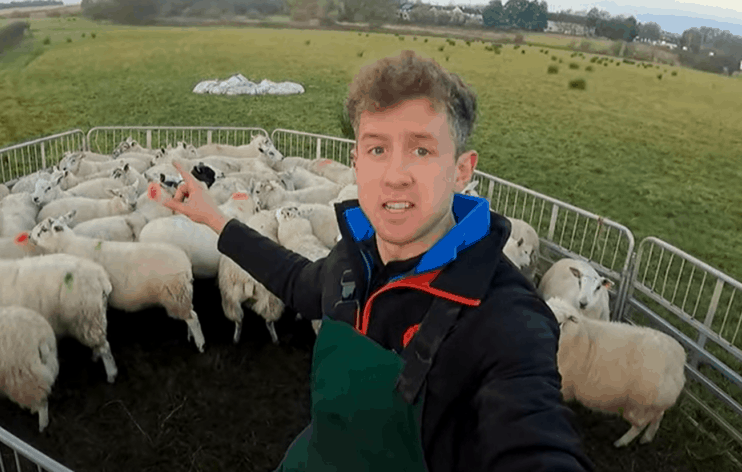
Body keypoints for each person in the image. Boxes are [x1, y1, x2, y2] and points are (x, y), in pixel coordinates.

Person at [147, 50, 595, 472]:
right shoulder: (351, 260)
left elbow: (535, 441)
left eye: (421, 149)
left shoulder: (505, 317)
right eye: (378, 149)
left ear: (461, 170)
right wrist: (214, 218)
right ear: (356, 162)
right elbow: (296, 278)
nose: (396, 175)